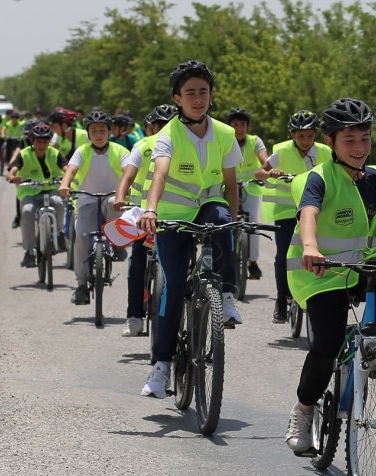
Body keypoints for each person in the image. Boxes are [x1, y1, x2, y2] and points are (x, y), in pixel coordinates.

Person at [282, 98, 376, 453]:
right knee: (327, 344)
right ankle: (304, 410)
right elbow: (309, 212)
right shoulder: (318, 178)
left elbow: (374, 222)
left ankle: (375, 340)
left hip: (362, 266)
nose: (358, 148)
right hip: (320, 274)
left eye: (364, 139)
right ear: (331, 142)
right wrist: (310, 245)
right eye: (349, 140)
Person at [136, 61, 244, 399]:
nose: (198, 98)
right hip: (172, 214)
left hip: (209, 206)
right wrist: (151, 210)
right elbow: (160, 175)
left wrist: (235, 221)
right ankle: (161, 366)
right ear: (177, 99)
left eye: (204, 92)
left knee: (221, 219)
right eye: (190, 93)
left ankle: (225, 296)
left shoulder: (225, 134)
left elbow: (230, 184)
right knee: (171, 286)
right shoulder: (167, 135)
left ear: (211, 97)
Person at [257, 109, 332, 323]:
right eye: (300, 136)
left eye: (310, 136)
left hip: (316, 211)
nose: (305, 140)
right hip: (286, 212)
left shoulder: (325, 152)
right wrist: (272, 173)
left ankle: (316, 294)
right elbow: (259, 172)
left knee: (318, 252)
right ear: (292, 135)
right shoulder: (281, 152)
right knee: (283, 257)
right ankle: (281, 299)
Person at [115, 105, 178, 337]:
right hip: (144, 216)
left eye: (167, 125)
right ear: (151, 127)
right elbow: (128, 175)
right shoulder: (142, 146)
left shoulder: (183, 146)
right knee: (137, 263)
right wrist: (121, 196)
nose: (162, 130)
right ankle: (134, 316)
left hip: (174, 215)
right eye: (158, 126)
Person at [59, 111, 130, 306]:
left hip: (113, 198)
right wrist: (65, 185)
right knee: (81, 237)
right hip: (86, 200)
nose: (98, 134)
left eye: (102, 130)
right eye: (93, 131)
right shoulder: (82, 151)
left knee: (112, 204)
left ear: (109, 132)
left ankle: (116, 243)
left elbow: (128, 172)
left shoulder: (120, 151)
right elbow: (71, 170)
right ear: (88, 134)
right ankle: (81, 285)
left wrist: (125, 191)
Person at [5, 122, 68, 269]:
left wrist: (68, 178)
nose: (42, 144)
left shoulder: (55, 153)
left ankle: (59, 234)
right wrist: (12, 177)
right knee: (27, 211)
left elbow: (67, 168)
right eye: (38, 141)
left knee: (58, 203)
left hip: (51, 188)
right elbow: (12, 170)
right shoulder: (24, 154)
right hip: (29, 191)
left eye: (45, 141)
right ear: (32, 140)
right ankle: (29, 252)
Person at [227, 107, 269, 281]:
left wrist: (266, 171)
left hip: (250, 187)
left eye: (243, 124)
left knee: (252, 224)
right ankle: (224, 258)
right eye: (235, 124)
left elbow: (265, 161)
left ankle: (252, 262)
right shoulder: (225, 140)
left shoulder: (255, 141)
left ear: (247, 126)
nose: (239, 128)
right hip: (228, 187)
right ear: (229, 126)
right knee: (226, 221)